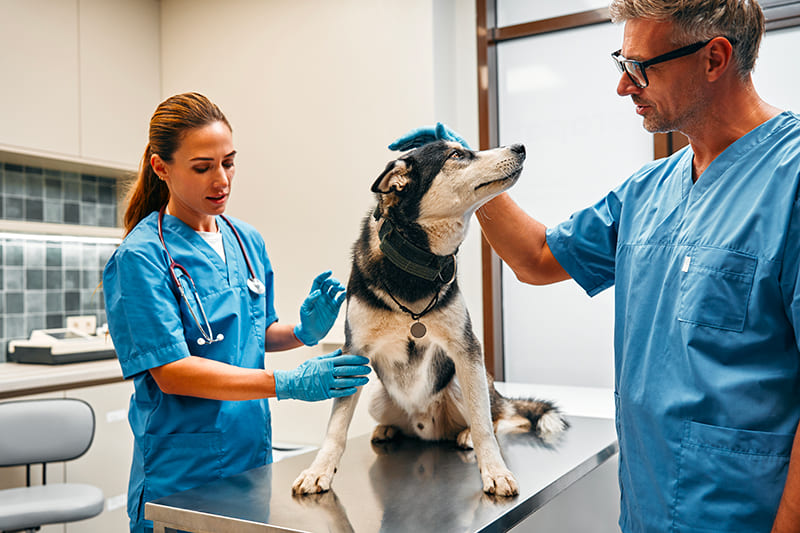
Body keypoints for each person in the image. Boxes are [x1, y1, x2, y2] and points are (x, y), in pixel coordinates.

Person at [392, 1, 800, 531]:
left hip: (748, 513)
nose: (624, 87)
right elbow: (535, 257)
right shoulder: (647, 192)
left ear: (714, 58)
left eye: (639, 67)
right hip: (646, 507)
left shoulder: (789, 183)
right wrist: (472, 178)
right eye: (621, 64)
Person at [103, 92, 371, 533]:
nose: (221, 180)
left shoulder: (246, 241)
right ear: (161, 168)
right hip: (182, 472)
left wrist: (301, 332)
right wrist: (286, 383)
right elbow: (172, 372)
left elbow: (253, 331)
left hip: (250, 459)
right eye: (203, 167)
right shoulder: (141, 257)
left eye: (229, 162)